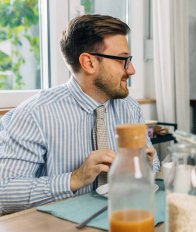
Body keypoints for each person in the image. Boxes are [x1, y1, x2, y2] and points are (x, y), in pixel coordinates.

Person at [0, 14, 159, 214]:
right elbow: (3, 192)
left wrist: (146, 164)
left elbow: (153, 164)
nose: (132, 70)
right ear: (89, 63)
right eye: (123, 60)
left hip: (123, 215)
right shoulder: (34, 115)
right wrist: (75, 178)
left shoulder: (129, 108)